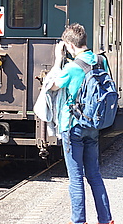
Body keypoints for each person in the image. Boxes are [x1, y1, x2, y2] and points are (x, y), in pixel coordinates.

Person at [50, 23, 113, 224]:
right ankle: (106, 220)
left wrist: (58, 59)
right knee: (94, 174)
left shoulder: (71, 67)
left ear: (69, 45)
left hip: (73, 126)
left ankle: (78, 221)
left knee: (76, 178)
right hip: (93, 126)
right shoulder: (100, 60)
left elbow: (52, 85)